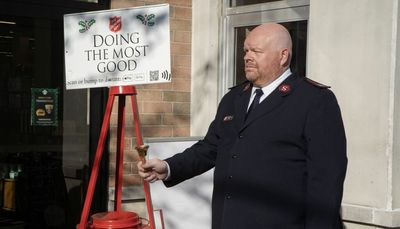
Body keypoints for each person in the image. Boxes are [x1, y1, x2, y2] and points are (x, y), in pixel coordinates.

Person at [138, 23, 347, 229]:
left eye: (256, 51)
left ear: (283, 56)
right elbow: (210, 148)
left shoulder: (313, 100)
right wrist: (168, 167)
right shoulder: (234, 97)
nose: (247, 56)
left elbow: (326, 180)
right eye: (245, 50)